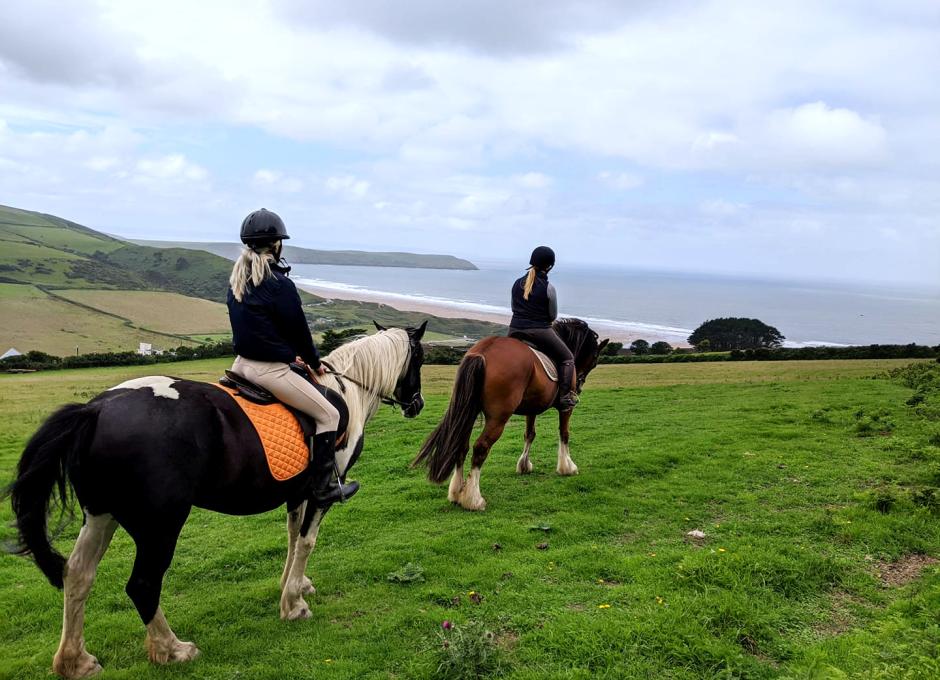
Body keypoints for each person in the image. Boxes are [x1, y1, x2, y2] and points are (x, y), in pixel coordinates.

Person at [227, 208, 358, 507]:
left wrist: (288, 357)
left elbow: (257, 331)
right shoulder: (278, 285)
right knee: (330, 415)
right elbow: (299, 332)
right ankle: (323, 487)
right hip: (268, 372)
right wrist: (313, 362)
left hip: (240, 366)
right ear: (277, 245)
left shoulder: (238, 280)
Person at [508, 245, 578, 410]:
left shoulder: (516, 283)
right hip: (539, 331)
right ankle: (565, 397)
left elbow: (513, 307)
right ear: (550, 266)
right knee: (567, 358)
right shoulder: (549, 288)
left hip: (514, 330)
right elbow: (552, 316)